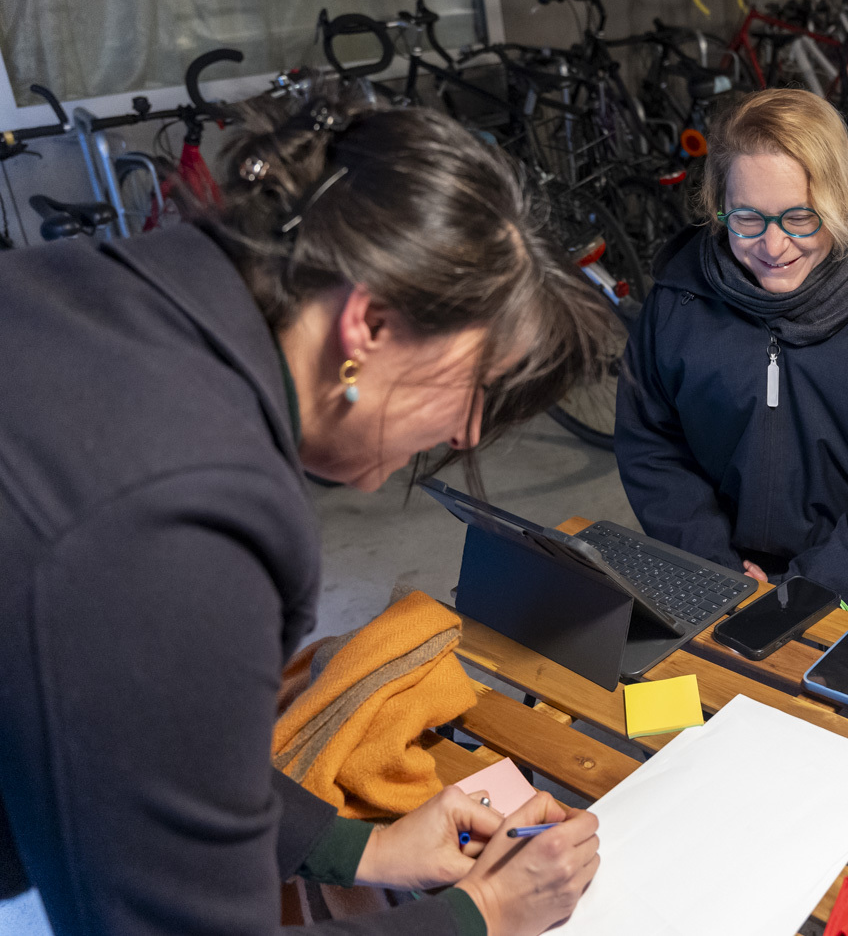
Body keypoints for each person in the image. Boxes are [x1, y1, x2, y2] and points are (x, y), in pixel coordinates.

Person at [0, 90, 617, 936]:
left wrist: (357, 847)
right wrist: (480, 915)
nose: (469, 430)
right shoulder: (179, 519)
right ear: (368, 325)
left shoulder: (124, 292)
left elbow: (150, 747)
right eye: (475, 384)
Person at [615, 89, 848, 624]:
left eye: (801, 217)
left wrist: (810, 589)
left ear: (841, 201)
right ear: (719, 206)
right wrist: (713, 562)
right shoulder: (678, 301)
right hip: (722, 559)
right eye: (747, 218)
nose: (773, 246)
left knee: (818, 679)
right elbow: (651, 445)